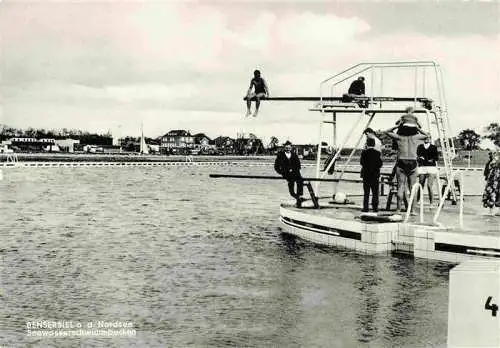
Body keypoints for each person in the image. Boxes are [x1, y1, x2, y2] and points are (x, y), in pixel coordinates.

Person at [384, 124, 429, 213]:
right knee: (412, 187)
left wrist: (397, 126)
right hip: (412, 161)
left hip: (401, 161)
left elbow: (386, 132)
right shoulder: (416, 137)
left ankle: (398, 209)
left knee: (401, 186)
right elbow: (428, 135)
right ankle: (412, 210)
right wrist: (418, 128)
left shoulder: (399, 137)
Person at [274, 141, 304, 208]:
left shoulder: (294, 155)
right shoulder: (280, 155)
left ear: (291, 148)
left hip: (295, 173)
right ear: (284, 147)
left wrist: (293, 169)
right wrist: (282, 172)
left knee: (300, 181)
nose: (288, 149)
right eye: (286, 147)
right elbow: (276, 166)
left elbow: (299, 165)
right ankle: (298, 198)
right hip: (287, 174)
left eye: (289, 147)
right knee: (291, 191)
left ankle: (299, 197)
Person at [360, 138, 383, 212]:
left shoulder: (364, 153)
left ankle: (365, 208)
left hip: (366, 175)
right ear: (374, 144)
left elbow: (361, 163)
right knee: (375, 193)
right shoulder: (377, 153)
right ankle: (375, 208)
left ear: (367, 144)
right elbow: (380, 164)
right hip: (375, 175)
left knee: (366, 193)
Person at [417, 136, 439, 205]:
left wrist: (431, 160)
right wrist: (420, 158)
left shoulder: (433, 147)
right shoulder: (420, 146)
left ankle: (431, 202)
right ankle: (417, 201)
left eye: (428, 138)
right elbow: (418, 155)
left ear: (430, 139)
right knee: (421, 185)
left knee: (429, 185)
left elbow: (436, 157)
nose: (426, 139)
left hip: (431, 168)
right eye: (425, 138)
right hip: (422, 167)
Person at [482, 151, 500, 215]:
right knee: (491, 193)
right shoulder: (491, 161)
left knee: (494, 193)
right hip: (493, 179)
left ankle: (494, 210)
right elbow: (488, 169)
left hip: (495, 178)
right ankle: (491, 210)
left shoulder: (494, 160)